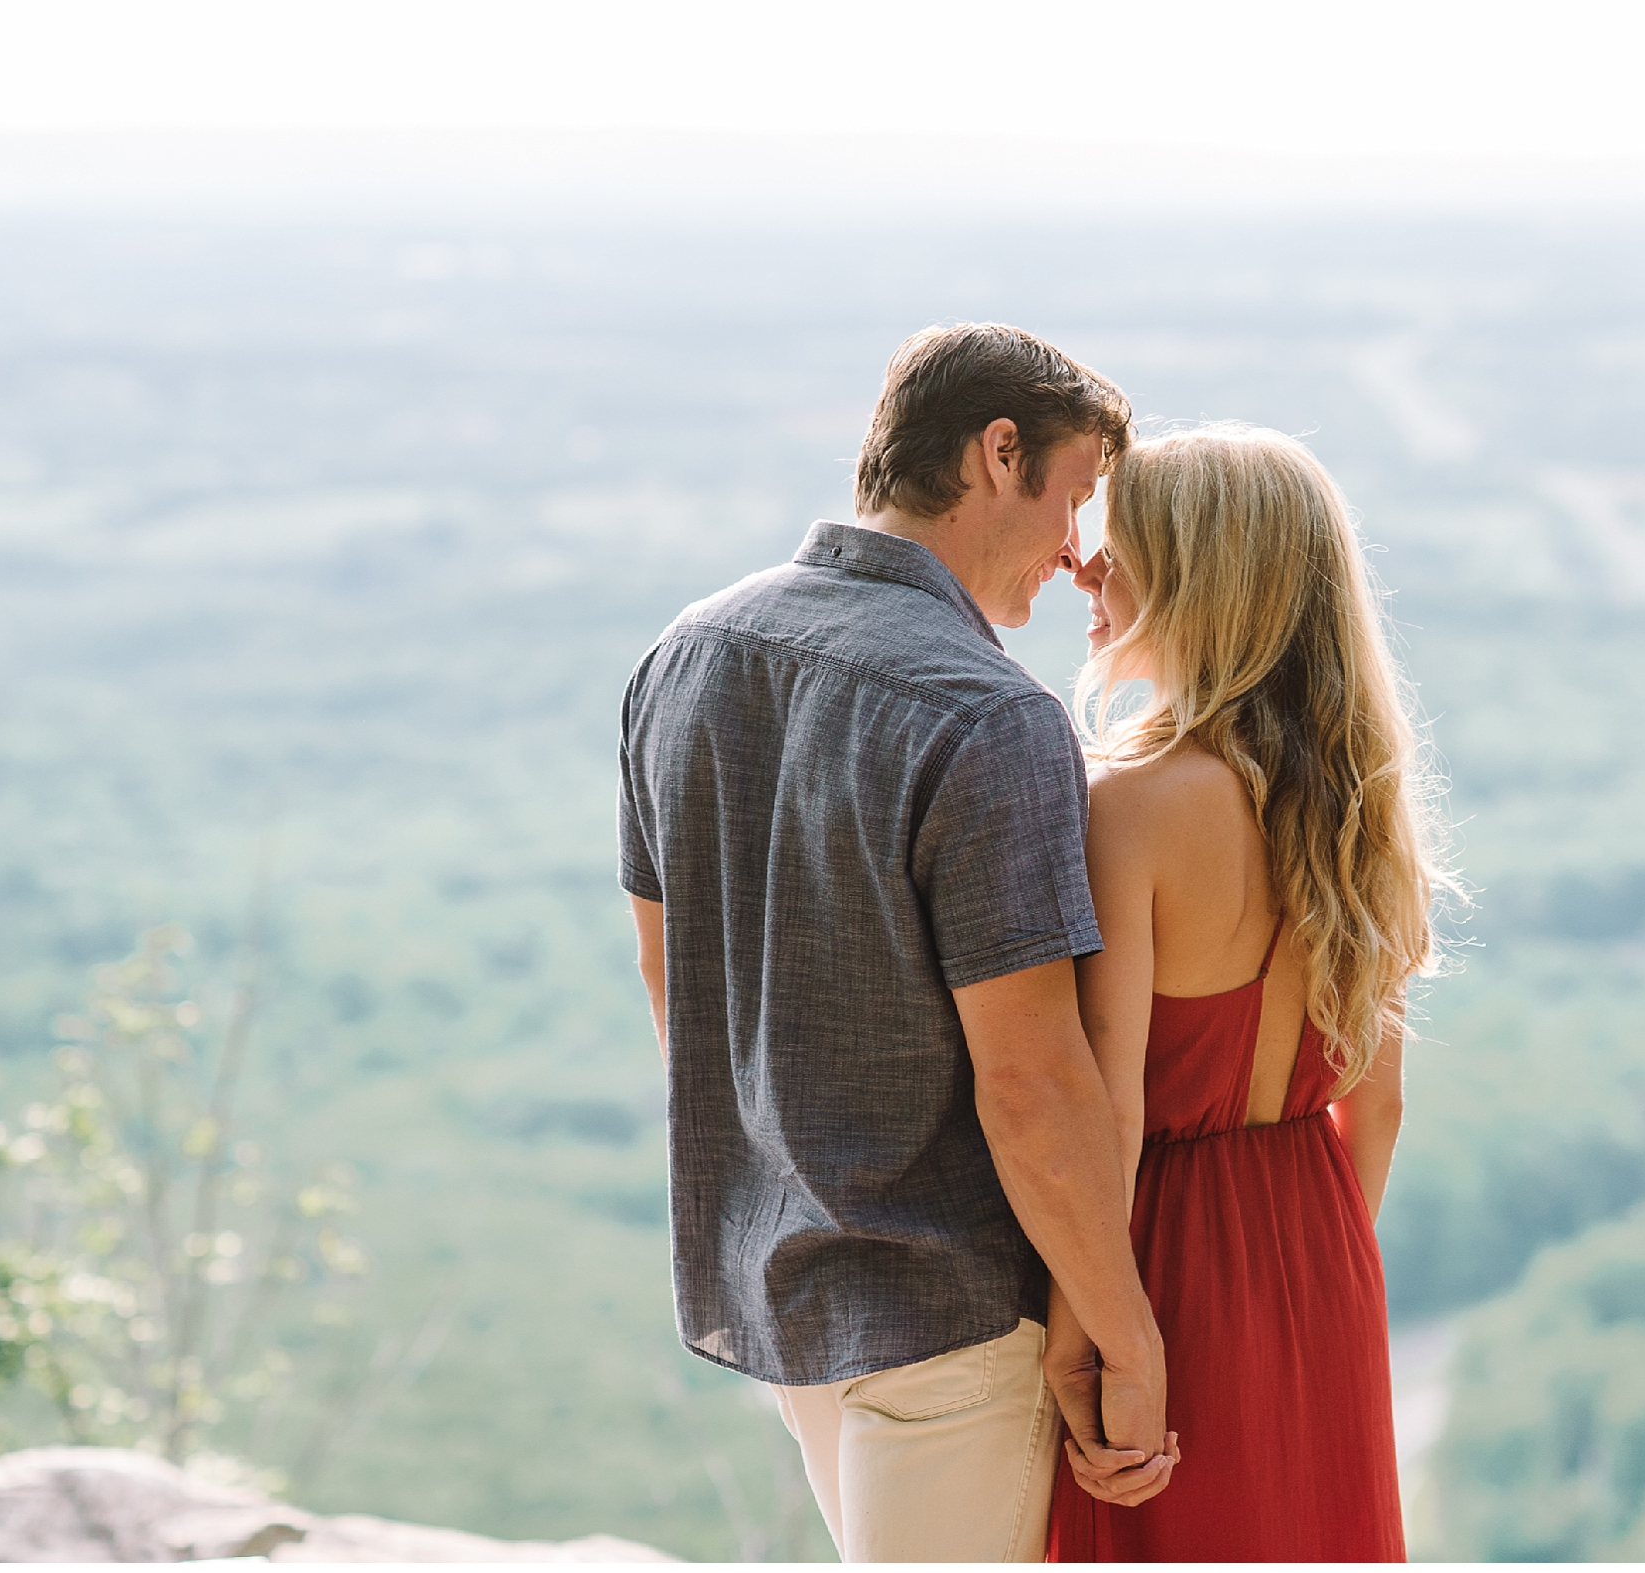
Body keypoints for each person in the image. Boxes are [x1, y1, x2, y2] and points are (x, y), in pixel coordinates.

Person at [617, 324, 1178, 1562]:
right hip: (948, 1316)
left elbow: (674, 979)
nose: (1078, 555)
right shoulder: (992, 719)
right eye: (1076, 497)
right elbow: (1031, 1085)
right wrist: (1128, 1333)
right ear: (997, 454)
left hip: (777, 1281)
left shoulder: (685, 652)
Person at [1046, 425, 1454, 1562]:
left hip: (1159, 1265)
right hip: (1322, 1254)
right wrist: (1299, 1278)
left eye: (1119, 547)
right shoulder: (1366, 808)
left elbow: (1109, 1116)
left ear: (1200, 580)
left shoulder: (1127, 804)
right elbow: (1376, 1108)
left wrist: (1082, 1347)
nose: (1086, 567)